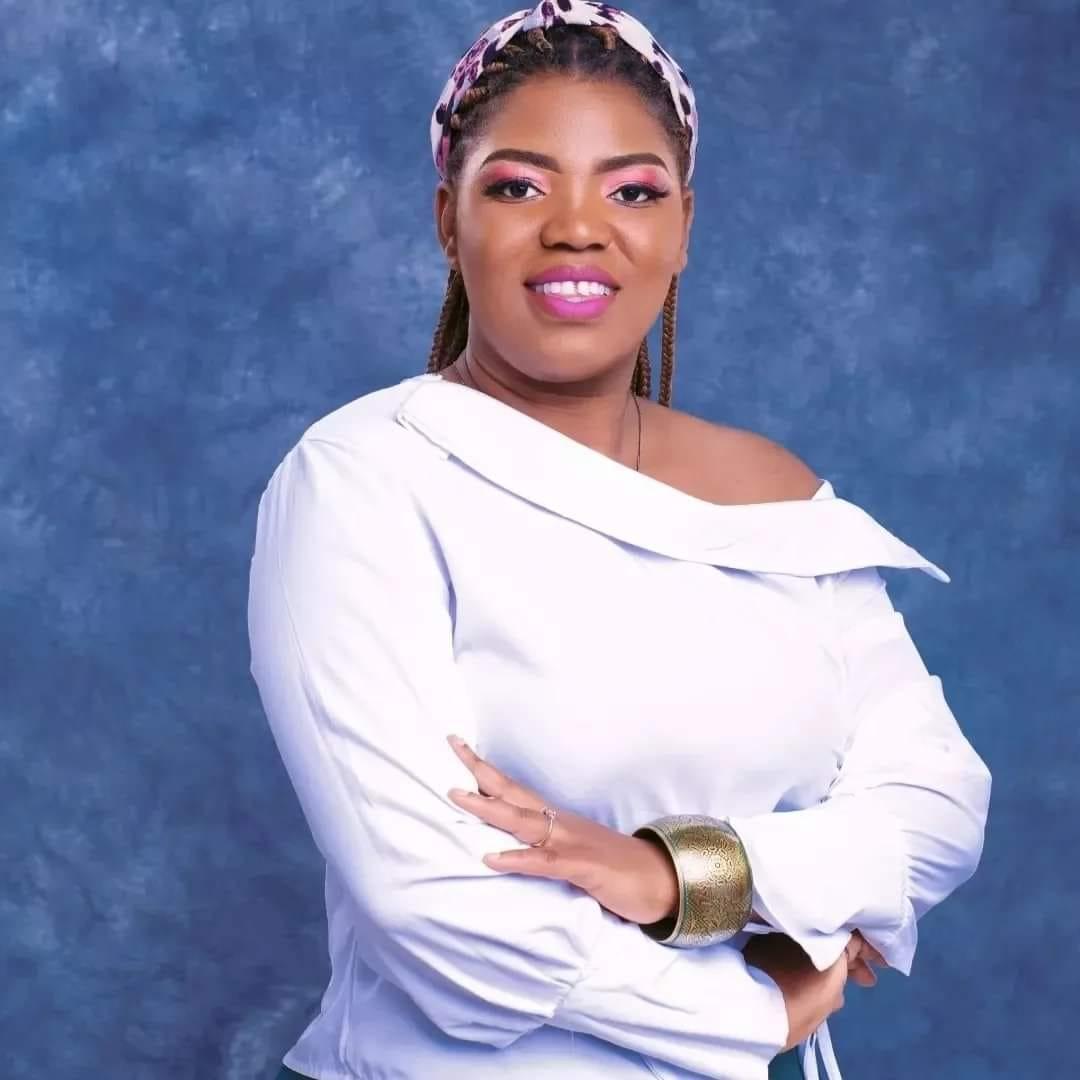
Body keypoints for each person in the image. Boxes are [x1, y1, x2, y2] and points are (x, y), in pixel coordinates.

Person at [246, 5, 992, 1079]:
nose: (577, 228)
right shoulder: (364, 477)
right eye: (519, 186)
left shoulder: (778, 498)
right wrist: (751, 1012)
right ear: (449, 220)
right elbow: (432, 903)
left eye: (632, 191)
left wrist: (676, 874)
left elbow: (935, 808)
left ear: (682, 228)